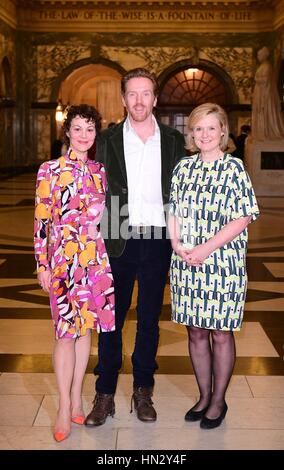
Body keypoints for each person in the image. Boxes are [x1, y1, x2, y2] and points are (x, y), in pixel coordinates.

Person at [85, 67, 186, 426]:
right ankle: (105, 393)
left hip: (158, 239)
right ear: (124, 98)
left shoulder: (174, 140)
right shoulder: (108, 139)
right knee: (110, 320)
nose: (139, 100)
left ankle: (143, 389)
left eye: (146, 93)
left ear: (155, 99)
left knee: (148, 320)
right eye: (133, 94)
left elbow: (182, 194)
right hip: (117, 237)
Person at [168, 103, 260, 430]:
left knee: (220, 332)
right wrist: (177, 244)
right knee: (195, 331)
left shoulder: (234, 168)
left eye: (211, 128)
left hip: (222, 262)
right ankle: (203, 395)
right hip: (187, 263)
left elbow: (244, 215)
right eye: (198, 128)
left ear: (223, 131)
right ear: (191, 133)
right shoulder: (183, 168)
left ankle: (218, 400)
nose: (205, 134)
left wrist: (205, 248)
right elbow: (174, 210)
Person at [34, 104, 115, 442]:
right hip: (63, 259)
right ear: (67, 132)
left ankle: (79, 394)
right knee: (64, 332)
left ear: (96, 134)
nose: (84, 135)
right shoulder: (49, 169)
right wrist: (42, 262)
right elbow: (41, 220)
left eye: (90, 129)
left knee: (86, 332)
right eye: (78, 128)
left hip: (94, 260)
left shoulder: (100, 171)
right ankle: (64, 405)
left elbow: (104, 218)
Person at [252, 46, 284, 140]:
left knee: (264, 111)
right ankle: (261, 132)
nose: (258, 56)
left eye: (259, 54)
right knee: (260, 112)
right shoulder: (263, 66)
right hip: (260, 91)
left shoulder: (267, 66)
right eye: (258, 55)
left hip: (264, 93)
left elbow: (265, 80)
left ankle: (266, 132)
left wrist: (256, 78)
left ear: (264, 55)